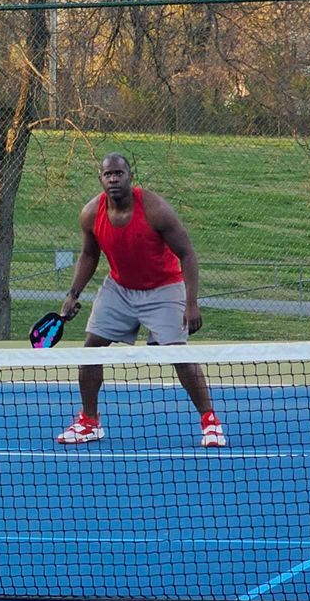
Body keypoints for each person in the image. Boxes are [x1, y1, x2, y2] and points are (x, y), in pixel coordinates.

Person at [55, 153, 225, 448]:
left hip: (164, 288)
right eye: (108, 174)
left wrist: (191, 303)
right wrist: (73, 295)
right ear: (100, 179)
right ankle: (89, 422)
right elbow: (89, 254)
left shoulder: (155, 209)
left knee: (178, 354)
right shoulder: (91, 213)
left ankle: (210, 422)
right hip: (119, 288)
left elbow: (187, 254)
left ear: (130, 177)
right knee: (91, 350)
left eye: (119, 173)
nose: (113, 179)